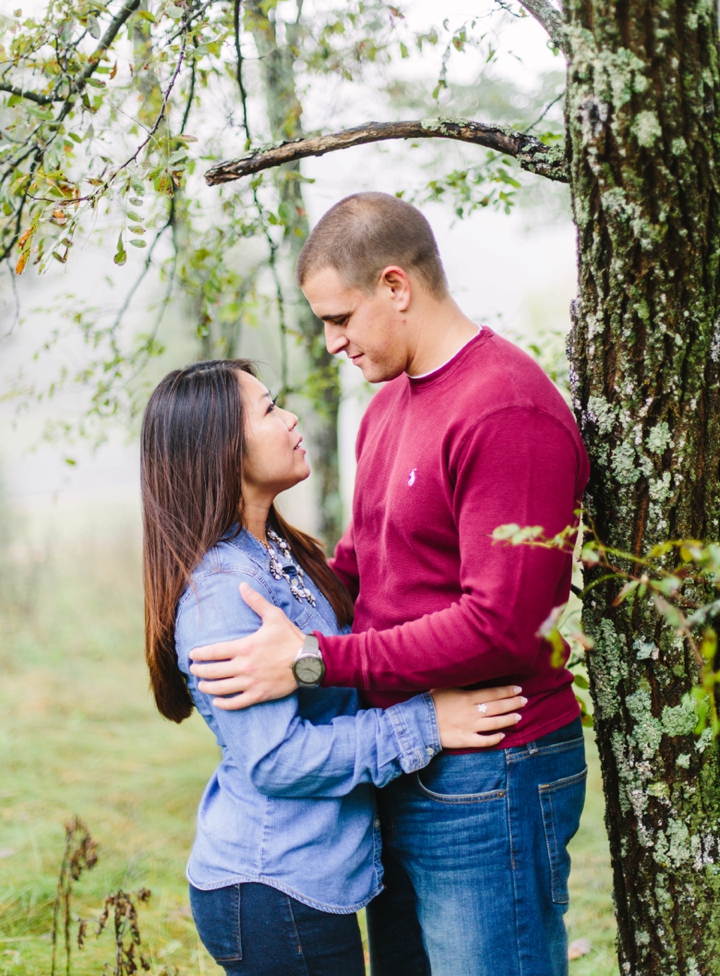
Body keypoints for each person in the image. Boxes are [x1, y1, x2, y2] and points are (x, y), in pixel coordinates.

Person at [189, 193, 592, 976]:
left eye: (341, 318)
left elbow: (503, 628)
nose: (333, 343)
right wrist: (252, 615)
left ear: (396, 286)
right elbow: (363, 571)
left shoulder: (506, 409)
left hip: (492, 765)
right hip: (404, 757)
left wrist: (312, 661)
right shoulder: (390, 409)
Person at [140, 358, 524, 976]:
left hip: (305, 879)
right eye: (268, 409)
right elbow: (277, 758)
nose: (290, 419)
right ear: (222, 447)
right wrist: (427, 724)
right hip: (270, 890)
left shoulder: (279, 552)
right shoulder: (222, 596)